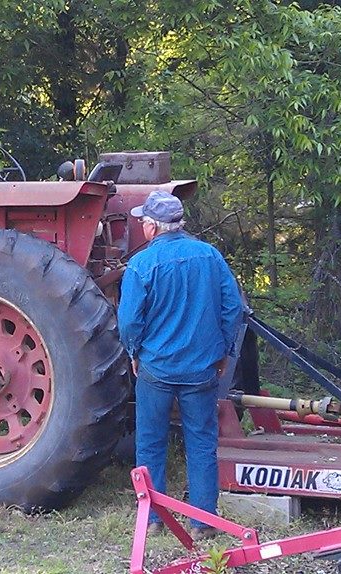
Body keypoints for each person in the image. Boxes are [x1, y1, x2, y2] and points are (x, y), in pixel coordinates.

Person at [117, 190, 242, 540]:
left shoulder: (142, 264)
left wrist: (134, 352)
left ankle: (154, 518)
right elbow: (233, 308)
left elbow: (128, 321)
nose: (142, 226)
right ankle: (203, 522)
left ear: (153, 228)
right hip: (202, 369)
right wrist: (222, 353)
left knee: (151, 442)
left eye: (143, 221)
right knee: (201, 442)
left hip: (156, 369)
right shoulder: (210, 256)